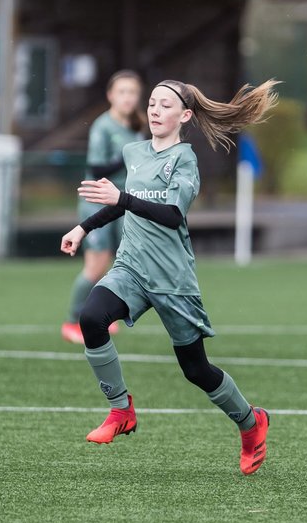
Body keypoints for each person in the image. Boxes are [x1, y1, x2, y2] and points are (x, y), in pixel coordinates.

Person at [60, 78, 279, 475]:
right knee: (91, 318)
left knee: (196, 370)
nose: (155, 110)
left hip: (172, 279)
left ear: (186, 116)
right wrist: (84, 228)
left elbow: (171, 214)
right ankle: (121, 410)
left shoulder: (185, 159)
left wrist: (122, 199)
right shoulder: (135, 151)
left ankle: (251, 422)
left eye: (165, 105)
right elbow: (122, 203)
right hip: (131, 268)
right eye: (152, 104)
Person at [61, 70, 145, 344]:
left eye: (132, 92)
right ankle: (72, 322)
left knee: (118, 262)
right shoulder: (103, 127)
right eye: (122, 92)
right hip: (97, 204)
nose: (127, 98)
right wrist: (130, 156)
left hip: (122, 203)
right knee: (96, 264)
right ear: (110, 95)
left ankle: (98, 316)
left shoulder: (136, 126)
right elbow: (97, 167)